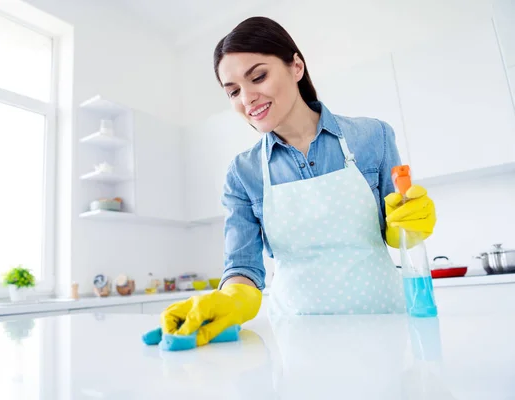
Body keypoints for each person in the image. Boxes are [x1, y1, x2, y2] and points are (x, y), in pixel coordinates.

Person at [161, 16, 436, 346]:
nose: (247, 98)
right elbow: (243, 266)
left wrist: (409, 224)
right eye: (233, 91)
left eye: (258, 76)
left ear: (296, 67)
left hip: (385, 326)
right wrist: (232, 298)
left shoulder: (373, 137)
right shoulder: (242, 173)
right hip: (298, 339)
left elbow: (398, 233)